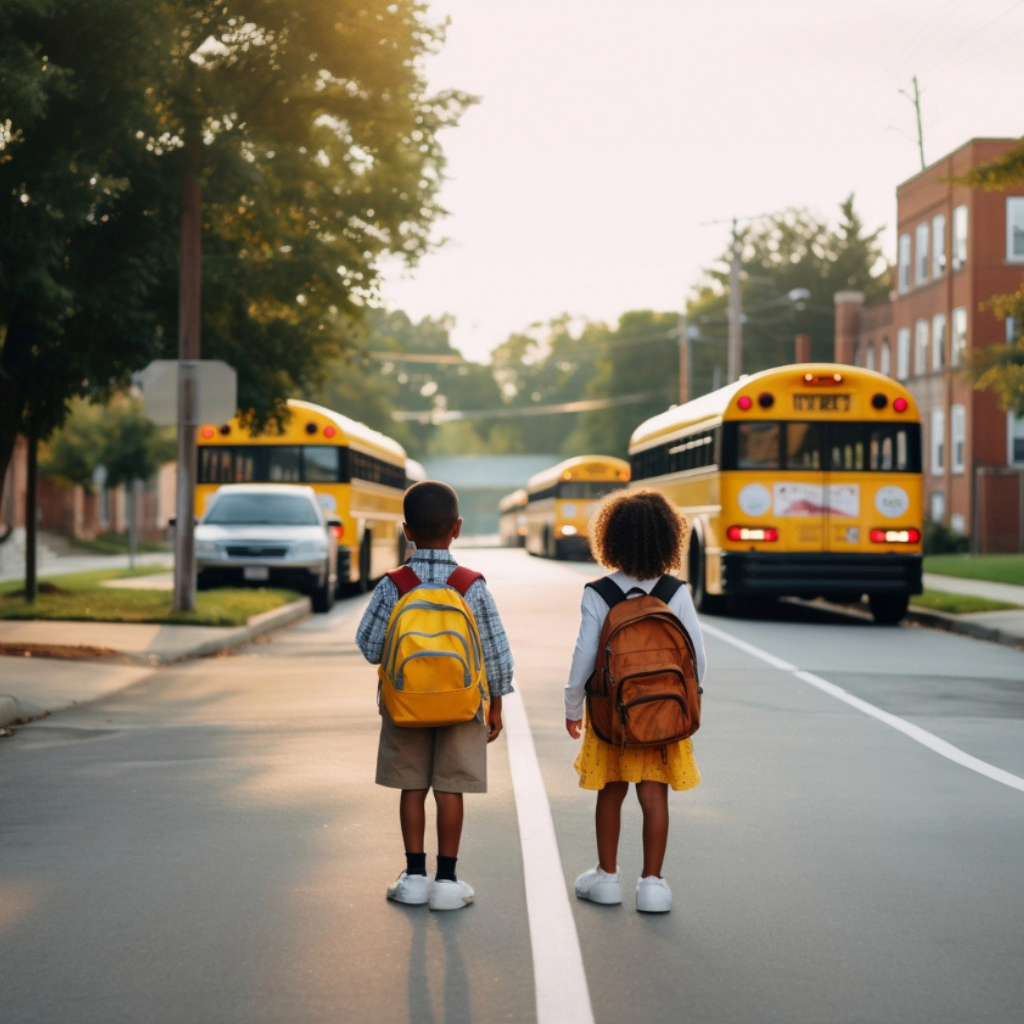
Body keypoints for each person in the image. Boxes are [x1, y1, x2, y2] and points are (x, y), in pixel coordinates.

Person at [356, 480, 514, 912]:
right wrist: (495, 702)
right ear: (457, 528)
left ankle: (413, 876)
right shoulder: (470, 585)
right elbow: (497, 653)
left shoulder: (394, 584)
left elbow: (369, 645)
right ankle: (447, 880)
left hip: (405, 704)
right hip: (462, 706)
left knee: (412, 787)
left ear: (407, 530)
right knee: (449, 789)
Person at [564, 489, 707, 913]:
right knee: (654, 795)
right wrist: (689, 703)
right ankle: (652, 884)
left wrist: (574, 708)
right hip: (664, 713)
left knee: (610, 791)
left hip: (612, 713)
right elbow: (697, 657)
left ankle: (606, 877)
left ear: (610, 539)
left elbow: (584, 658)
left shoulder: (599, 593)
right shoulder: (674, 591)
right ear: (668, 539)